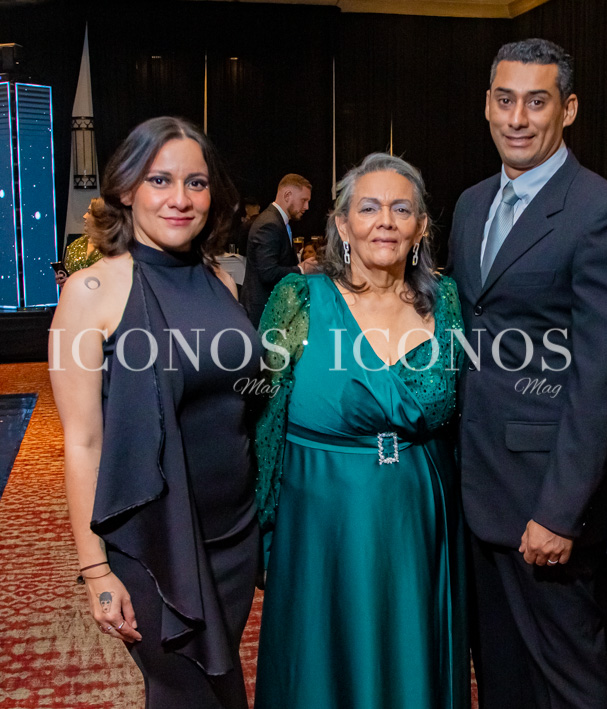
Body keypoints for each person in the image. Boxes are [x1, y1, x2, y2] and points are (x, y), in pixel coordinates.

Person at [446, 39, 607, 709]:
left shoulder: (603, 213)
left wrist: (559, 512)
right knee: (500, 674)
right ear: (486, 105)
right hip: (475, 488)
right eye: (505, 100)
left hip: (544, 503)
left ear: (569, 109)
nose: (518, 118)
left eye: (537, 101)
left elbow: (600, 377)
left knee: (568, 682)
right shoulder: (472, 204)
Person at [49, 116, 261, 709]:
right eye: (160, 179)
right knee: (184, 691)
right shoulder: (91, 291)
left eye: (196, 183)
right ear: (125, 189)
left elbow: (242, 400)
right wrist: (96, 571)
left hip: (235, 537)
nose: (180, 199)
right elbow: (83, 444)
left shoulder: (220, 277)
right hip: (152, 542)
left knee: (219, 691)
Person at [254, 153, 468, 709]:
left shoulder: (446, 302)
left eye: (402, 209)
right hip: (320, 523)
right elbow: (263, 421)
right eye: (368, 208)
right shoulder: (298, 300)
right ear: (342, 224)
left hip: (417, 521)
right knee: (324, 667)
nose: (386, 221)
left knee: (411, 660)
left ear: (421, 227)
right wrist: (264, 528)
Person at [240, 174, 311, 327]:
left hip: (272, 310)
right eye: (304, 200)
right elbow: (268, 273)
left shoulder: (277, 221)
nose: (307, 207)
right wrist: (302, 269)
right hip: (263, 313)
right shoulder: (269, 224)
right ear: (287, 195)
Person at [55, 198, 105, 287]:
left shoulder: (114, 247)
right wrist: (62, 280)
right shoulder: (75, 245)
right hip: (75, 298)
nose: (84, 216)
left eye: (89, 212)